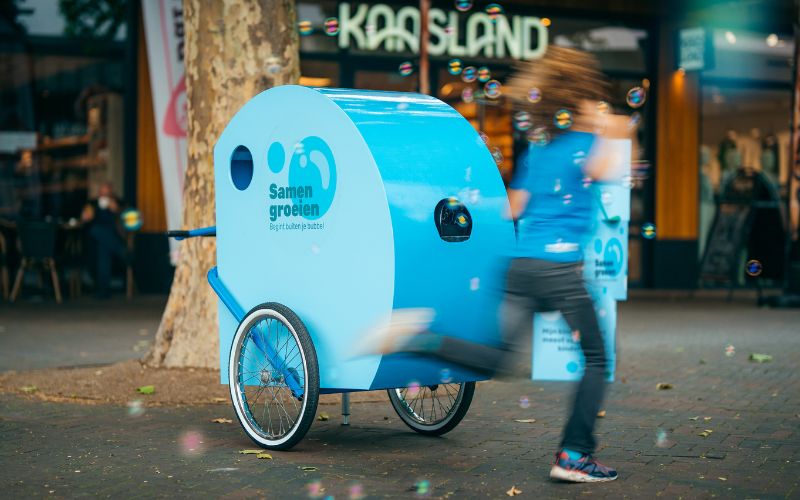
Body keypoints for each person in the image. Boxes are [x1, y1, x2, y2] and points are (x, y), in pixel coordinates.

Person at [361, 47, 627, 483]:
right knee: (597, 358)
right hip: (560, 270)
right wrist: (610, 124)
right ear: (581, 93)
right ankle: (574, 455)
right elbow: (612, 166)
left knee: (495, 360)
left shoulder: (540, 148)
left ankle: (416, 338)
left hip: (522, 268)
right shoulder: (587, 143)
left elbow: (512, 208)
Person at [81, 181, 128, 298]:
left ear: (111, 193)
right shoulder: (92, 204)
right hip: (94, 243)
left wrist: (117, 210)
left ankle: (103, 291)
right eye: (102, 194)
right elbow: (83, 219)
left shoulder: (119, 203)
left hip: (111, 238)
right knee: (96, 231)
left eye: (106, 194)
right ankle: (121, 251)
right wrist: (85, 217)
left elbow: (129, 220)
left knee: (103, 248)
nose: (104, 197)